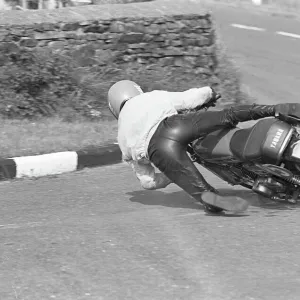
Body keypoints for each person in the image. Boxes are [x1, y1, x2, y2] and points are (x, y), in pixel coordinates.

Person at [108, 80, 300, 213]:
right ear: (136, 90)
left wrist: (172, 174)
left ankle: (214, 201)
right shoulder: (150, 97)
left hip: (159, 150)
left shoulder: (122, 138)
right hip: (175, 125)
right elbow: (190, 99)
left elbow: (147, 182)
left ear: (115, 108)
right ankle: (275, 109)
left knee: (204, 193)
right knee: (228, 115)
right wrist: (209, 93)